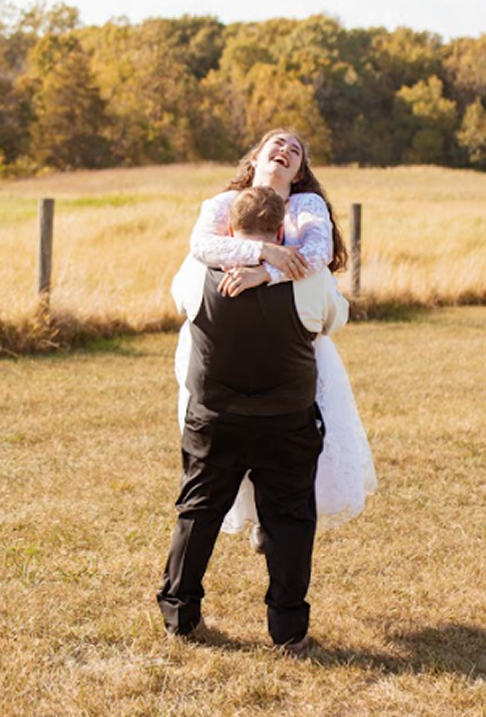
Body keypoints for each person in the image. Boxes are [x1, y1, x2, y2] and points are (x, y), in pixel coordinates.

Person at [158, 184, 350, 652]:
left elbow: (182, 305)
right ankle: (288, 632)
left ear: (227, 228)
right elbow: (333, 320)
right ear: (282, 229)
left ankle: (180, 616)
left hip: (214, 417)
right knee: (288, 521)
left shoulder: (194, 270)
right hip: (285, 419)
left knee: (198, 512)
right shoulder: (307, 275)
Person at [175, 128, 376, 541]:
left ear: (299, 172)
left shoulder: (306, 205)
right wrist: (265, 251)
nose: (285, 150)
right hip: (225, 339)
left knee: (288, 434)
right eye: (277, 144)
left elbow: (317, 254)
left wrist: (262, 275)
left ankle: (274, 519)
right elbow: (201, 246)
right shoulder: (223, 204)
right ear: (255, 159)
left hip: (292, 340)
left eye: (295, 150)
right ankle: (248, 512)